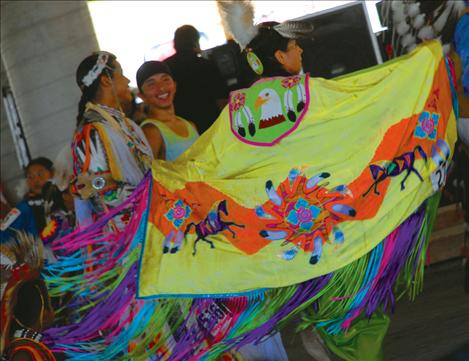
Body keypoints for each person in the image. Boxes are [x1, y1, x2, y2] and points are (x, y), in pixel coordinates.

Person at [71, 51, 153, 229]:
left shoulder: (126, 124)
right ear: (106, 80)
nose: (127, 81)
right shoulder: (91, 133)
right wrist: (152, 196)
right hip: (129, 235)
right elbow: (102, 192)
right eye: (121, 74)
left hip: (153, 220)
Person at [164, 25, 228, 135]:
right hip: (211, 123)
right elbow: (221, 99)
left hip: (182, 127)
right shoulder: (206, 65)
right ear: (195, 41)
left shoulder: (166, 66)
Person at [1, 234, 56, 361]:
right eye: (48, 304)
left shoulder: (25, 347)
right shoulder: (24, 352)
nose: (51, 310)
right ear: (41, 312)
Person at [136, 61, 199, 160]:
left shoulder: (190, 125)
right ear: (142, 96)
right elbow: (147, 173)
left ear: (174, 85)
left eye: (165, 80)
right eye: (151, 84)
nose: (161, 88)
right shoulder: (150, 131)